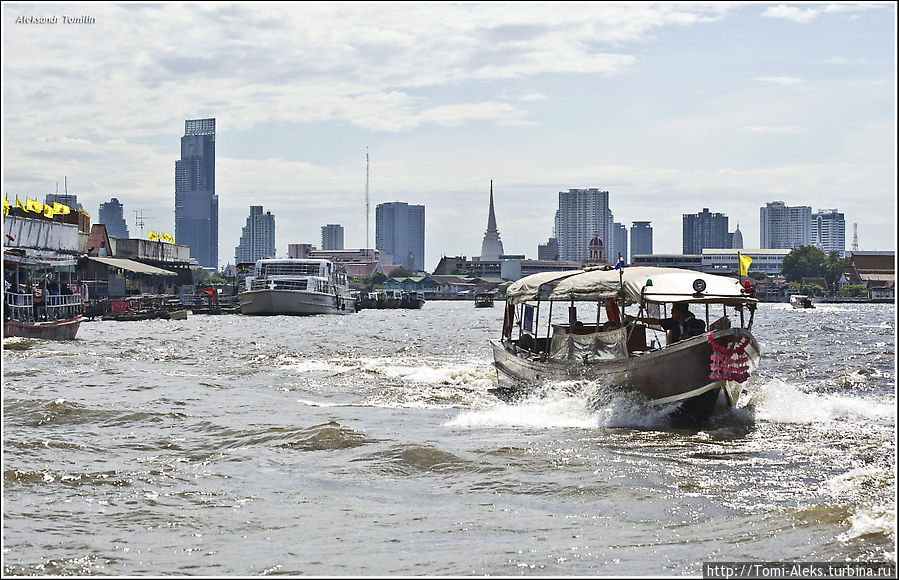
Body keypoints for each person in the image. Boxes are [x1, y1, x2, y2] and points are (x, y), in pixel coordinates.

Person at [635, 302, 705, 344]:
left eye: (673, 310)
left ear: (679, 312)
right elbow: (655, 321)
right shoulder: (673, 323)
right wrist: (635, 319)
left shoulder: (698, 323)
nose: (671, 312)